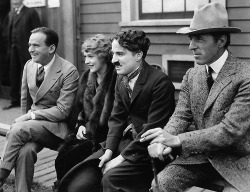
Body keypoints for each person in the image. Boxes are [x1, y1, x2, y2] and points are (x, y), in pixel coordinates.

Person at [141, 3, 250, 192]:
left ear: (221, 40)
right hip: (198, 157)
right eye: (191, 38)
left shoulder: (245, 77)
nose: (191, 46)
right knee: (161, 184)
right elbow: (181, 115)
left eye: (199, 39)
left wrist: (178, 140)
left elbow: (229, 131)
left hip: (237, 162)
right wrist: (162, 141)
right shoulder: (192, 75)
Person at [58, 28, 176, 192]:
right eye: (113, 54)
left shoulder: (159, 83)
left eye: (120, 54)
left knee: (110, 178)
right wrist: (108, 151)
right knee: (79, 181)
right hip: (122, 143)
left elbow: (152, 129)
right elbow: (116, 119)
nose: (113, 60)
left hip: (148, 151)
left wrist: (120, 158)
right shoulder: (122, 79)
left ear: (138, 55)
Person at [0, 27, 79, 192]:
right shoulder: (29, 65)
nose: (30, 49)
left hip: (58, 127)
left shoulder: (68, 71)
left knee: (19, 129)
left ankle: (1, 174)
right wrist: (26, 117)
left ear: (51, 48)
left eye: (36, 45)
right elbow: (25, 99)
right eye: (29, 45)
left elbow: (63, 111)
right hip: (32, 126)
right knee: (25, 151)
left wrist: (30, 117)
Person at [52, 34, 117, 192]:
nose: (87, 61)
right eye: (85, 56)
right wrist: (81, 125)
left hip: (106, 139)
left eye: (91, 56)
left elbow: (117, 117)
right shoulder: (87, 77)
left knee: (73, 158)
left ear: (103, 56)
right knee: (63, 156)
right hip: (87, 135)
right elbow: (80, 108)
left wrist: (92, 132)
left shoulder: (116, 79)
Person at [3, 0, 41, 110]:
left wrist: (35, 48)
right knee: (13, 75)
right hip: (13, 49)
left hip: (27, 50)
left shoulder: (31, 12)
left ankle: (33, 101)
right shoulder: (11, 14)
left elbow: (38, 32)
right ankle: (14, 100)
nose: (14, 1)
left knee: (30, 75)